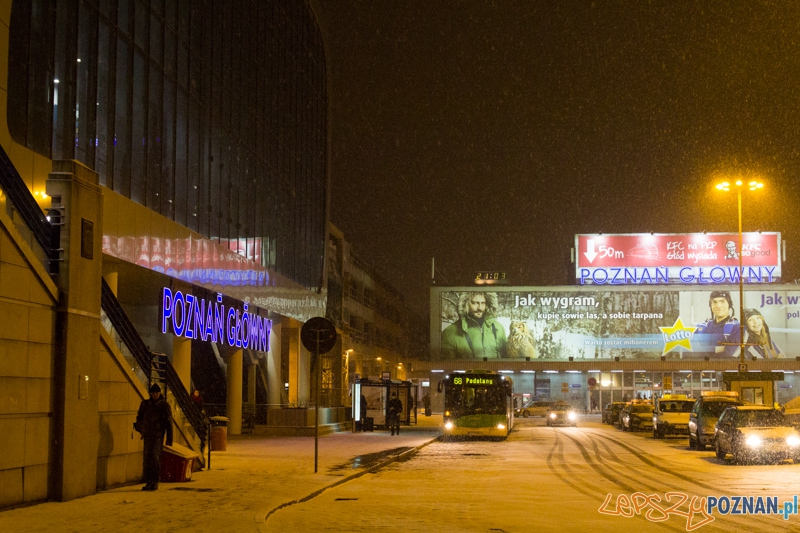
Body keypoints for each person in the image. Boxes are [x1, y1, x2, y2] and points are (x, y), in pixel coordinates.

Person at [441, 292, 508, 359]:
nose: (480, 308)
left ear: (487, 304)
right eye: (475, 303)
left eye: (483, 303)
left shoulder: (498, 328)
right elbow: (448, 366)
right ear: (466, 304)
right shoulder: (450, 332)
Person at [134, 383, 173, 491]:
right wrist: (140, 426)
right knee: (147, 459)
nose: (155, 394)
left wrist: (169, 438)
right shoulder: (146, 404)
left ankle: (154, 481)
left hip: (157, 435)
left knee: (154, 458)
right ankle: (149, 481)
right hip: (148, 434)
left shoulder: (163, 406)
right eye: (153, 392)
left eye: (156, 392)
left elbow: (168, 422)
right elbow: (140, 417)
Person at [695, 290, 740, 358]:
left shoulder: (737, 327)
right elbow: (687, 352)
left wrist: (703, 350)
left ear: (729, 304)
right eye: (714, 302)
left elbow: (730, 355)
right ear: (710, 305)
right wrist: (715, 349)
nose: (718, 306)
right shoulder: (701, 327)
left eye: (722, 301)